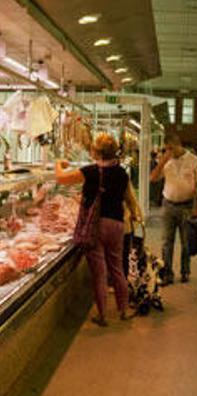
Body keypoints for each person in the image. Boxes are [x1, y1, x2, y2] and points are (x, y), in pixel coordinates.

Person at [56, 134, 137, 326]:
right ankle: (123, 310)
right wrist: (133, 214)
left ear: (96, 151)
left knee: (100, 274)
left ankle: (102, 316)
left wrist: (59, 163)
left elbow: (61, 179)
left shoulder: (90, 171)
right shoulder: (122, 173)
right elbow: (128, 198)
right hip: (117, 225)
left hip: (96, 226)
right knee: (117, 269)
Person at [150, 134, 197, 285]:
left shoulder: (194, 161)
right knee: (167, 241)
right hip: (168, 204)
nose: (169, 152)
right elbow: (153, 178)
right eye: (167, 149)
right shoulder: (166, 161)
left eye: (171, 148)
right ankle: (167, 273)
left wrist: (196, 208)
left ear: (178, 144)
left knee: (186, 241)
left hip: (187, 205)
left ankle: (185, 271)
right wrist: (162, 162)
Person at [122, 181, 144, 279]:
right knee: (123, 259)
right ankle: (123, 286)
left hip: (110, 228)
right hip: (124, 226)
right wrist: (135, 215)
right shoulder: (122, 176)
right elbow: (131, 200)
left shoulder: (98, 176)